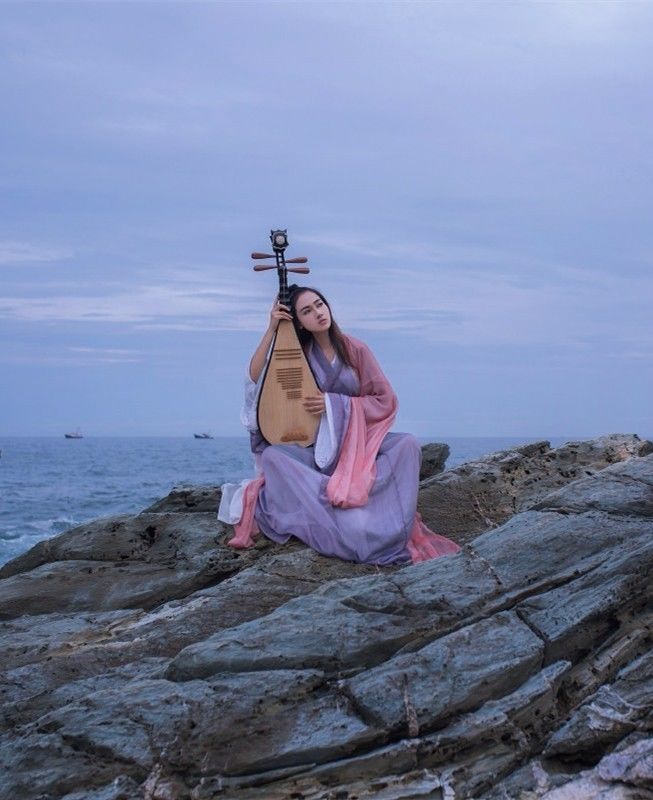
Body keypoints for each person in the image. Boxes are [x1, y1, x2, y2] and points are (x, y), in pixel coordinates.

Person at [217, 285, 461, 565]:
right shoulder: (297, 355)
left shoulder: (355, 349)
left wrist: (334, 404)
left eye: (319, 304)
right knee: (274, 456)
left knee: (406, 444)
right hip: (317, 447)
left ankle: (371, 510)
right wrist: (272, 328)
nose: (318, 313)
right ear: (299, 322)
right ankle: (336, 505)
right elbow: (254, 381)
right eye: (307, 311)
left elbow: (385, 399)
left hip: (356, 442)